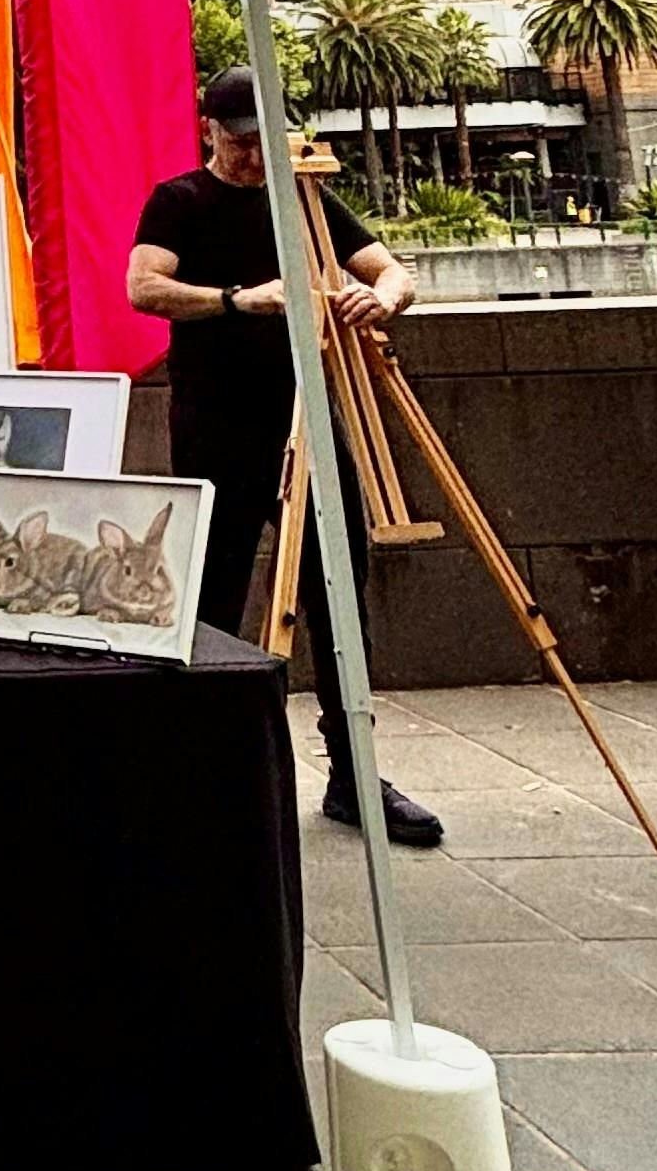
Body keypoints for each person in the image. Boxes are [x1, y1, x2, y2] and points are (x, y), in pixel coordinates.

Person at [126, 69, 443, 848]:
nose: (248, 156)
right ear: (209, 131)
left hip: (304, 414)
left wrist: (387, 297)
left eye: (260, 140)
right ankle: (208, 765)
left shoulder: (303, 198)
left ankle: (352, 768)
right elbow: (143, 288)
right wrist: (240, 299)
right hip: (213, 421)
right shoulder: (180, 201)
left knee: (338, 585)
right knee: (215, 588)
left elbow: (389, 267)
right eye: (236, 141)